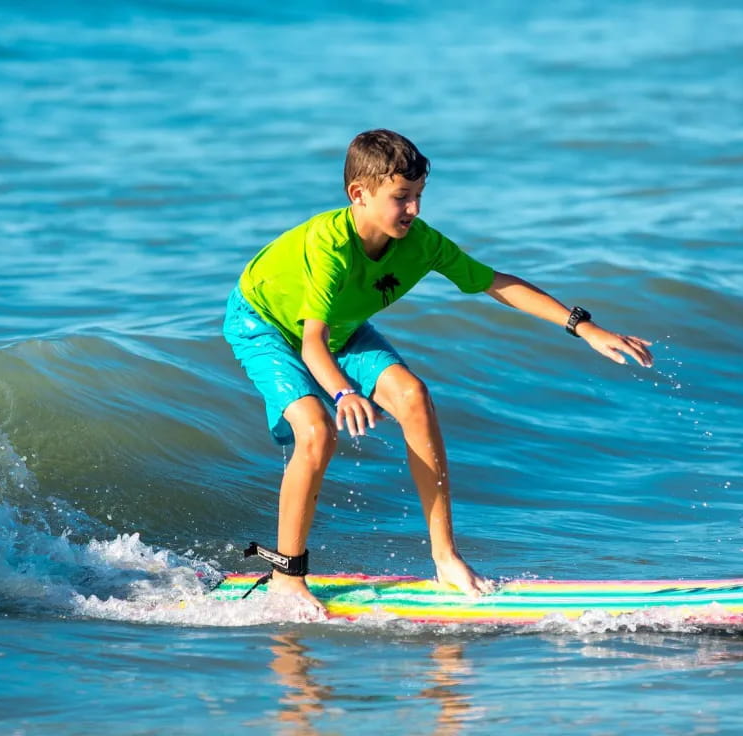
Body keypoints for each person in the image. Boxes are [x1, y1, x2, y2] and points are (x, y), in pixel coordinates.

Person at [223, 129, 653, 615]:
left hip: (341, 326)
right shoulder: (328, 249)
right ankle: (287, 576)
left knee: (413, 396)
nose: (414, 210)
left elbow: (496, 283)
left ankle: (445, 557)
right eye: (401, 198)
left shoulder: (420, 243)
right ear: (358, 195)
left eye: (419, 197)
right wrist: (344, 394)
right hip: (264, 324)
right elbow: (312, 344)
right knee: (317, 430)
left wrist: (584, 327)